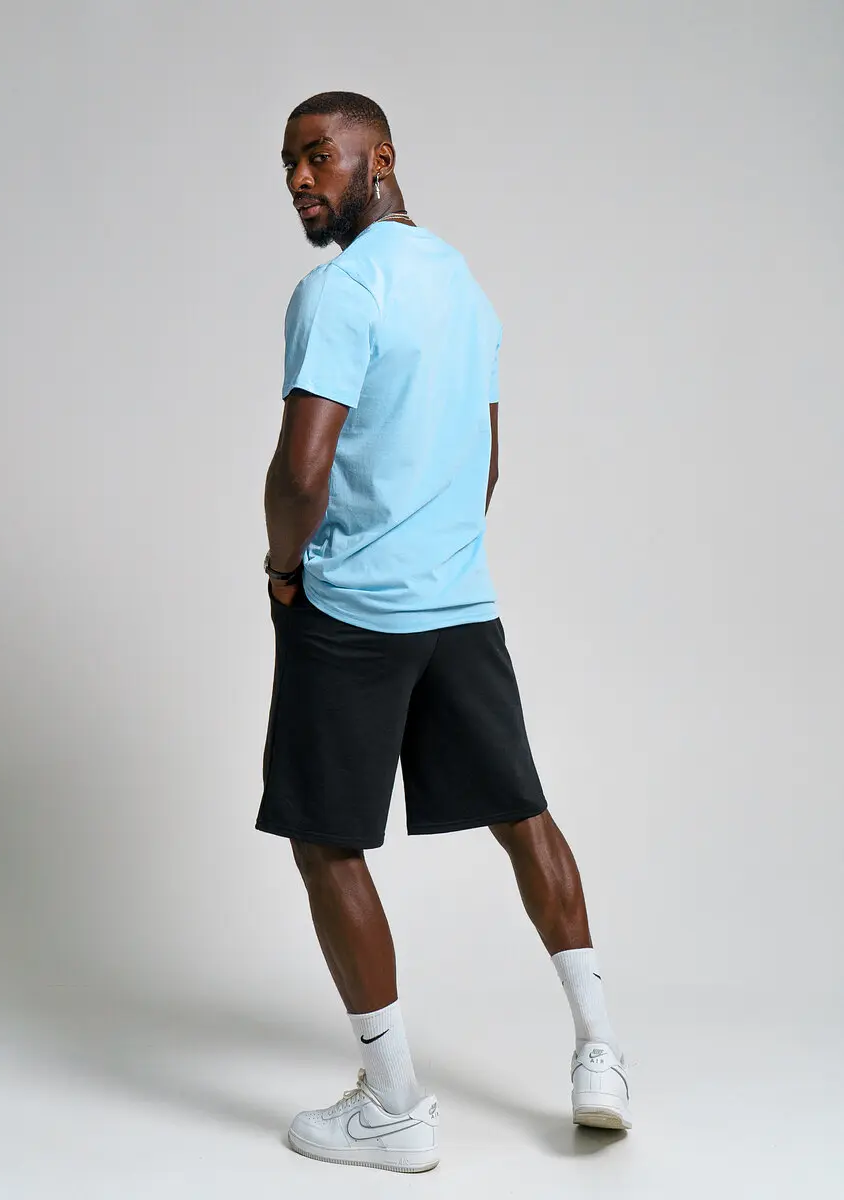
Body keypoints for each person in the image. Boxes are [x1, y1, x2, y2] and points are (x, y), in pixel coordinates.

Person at [257, 91, 631, 1173]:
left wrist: (286, 570)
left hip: (353, 612)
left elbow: (301, 473)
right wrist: (439, 554)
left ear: (379, 157)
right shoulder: (465, 285)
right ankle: (601, 1053)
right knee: (523, 814)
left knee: (327, 842)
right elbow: (488, 460)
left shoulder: (339, 290)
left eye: (319, 157)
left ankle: (394, 1109)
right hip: (460, 602)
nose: (300, 180)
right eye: (287, 164)